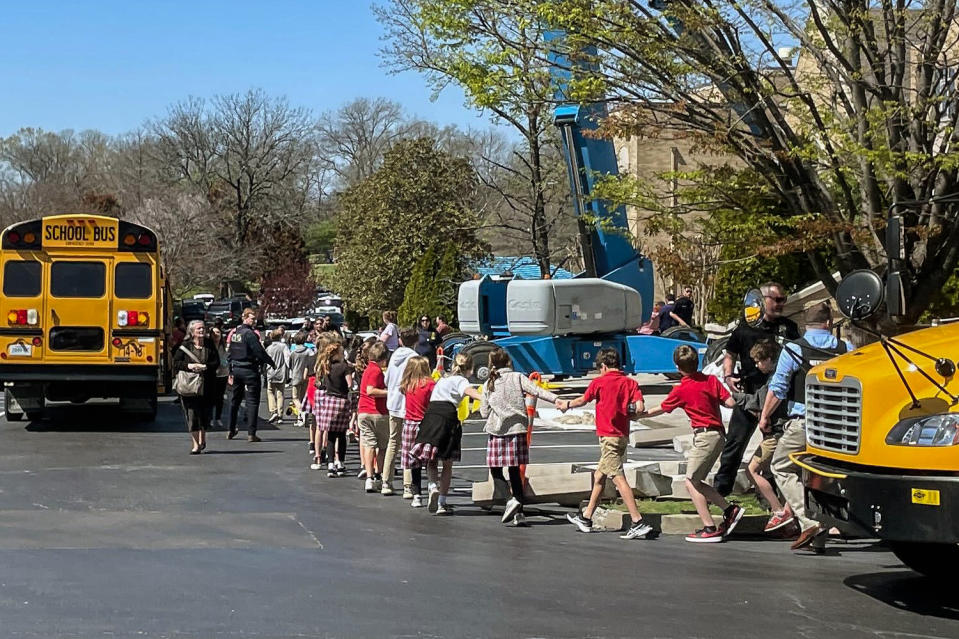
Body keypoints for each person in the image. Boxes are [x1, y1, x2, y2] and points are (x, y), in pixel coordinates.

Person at [761, 302, 854, 554]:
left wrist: (765, 417)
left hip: (805, 423)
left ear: (805, 325)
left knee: (780, 466)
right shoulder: (848, 350)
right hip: (840, 426)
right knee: (823, 474)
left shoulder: (793, 349)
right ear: (829, 323)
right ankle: (821, 535)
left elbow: (778, 388)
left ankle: (809, 520)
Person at [644, 345, 743, 542]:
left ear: (677, 366)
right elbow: (730, 403)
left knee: (691, 482)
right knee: (697, 480)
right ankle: (729, 509)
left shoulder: (681, 389)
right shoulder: (711, 380)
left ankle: (709, 526)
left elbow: (661, 408)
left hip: (704, 435)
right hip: (717, 434)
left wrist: (638, 414)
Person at [714, 281, 800, 495]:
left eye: (783, 300)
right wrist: (728, 375)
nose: (781, 304)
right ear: (764, 300)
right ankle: (721, 491)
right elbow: (730, 353)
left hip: (776, 398)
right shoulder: (746, 327)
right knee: (734, 443)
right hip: (749, 393)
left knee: (772, 448)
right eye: (777, 300)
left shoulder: (788, 328)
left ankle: (770, 497)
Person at [564, 348, 656, 540]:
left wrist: (565, 405)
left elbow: (583, 400)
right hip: (622, 435)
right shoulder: (630, 383)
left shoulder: (599, 382)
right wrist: (630, 414)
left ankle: (637, 521)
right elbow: (639, 407)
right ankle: (586, 517)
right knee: (599, 476)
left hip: (608, 437)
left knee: (618, 478)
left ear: (603, 366)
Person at [480, 348, 563, 526]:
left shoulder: (489, 383)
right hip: (517, 429)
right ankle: (519, 512)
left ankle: (510, 499)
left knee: (495, 469)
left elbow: (483, 412)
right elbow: (537, 391)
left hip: (497, 430)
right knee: (514, 470)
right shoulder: (518, 377)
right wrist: (557, 400)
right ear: (508, 362)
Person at [410, 352, 483, 515]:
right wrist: (485, 397)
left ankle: (432, 486)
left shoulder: (443, 380)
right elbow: (470, 392)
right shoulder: (461, 380)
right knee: (447, 462)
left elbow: (438, 380)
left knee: (432, 459)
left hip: (431, 415)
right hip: (448, 416)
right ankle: (442, 502)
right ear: (470, 368)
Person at [737, 341, 795, 534]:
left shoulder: (774, 381)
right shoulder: (788, 376)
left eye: (758, 361)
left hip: (776, 433)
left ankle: (778, 510)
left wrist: (735, 397)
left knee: (752, 470)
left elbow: (758, 403)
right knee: (788, 474)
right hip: (788, 431)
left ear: (769, 359)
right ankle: (790, 517)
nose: (756, 365)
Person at [227, 308, 275, 442]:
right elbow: (259, 351)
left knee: (235, 401)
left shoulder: (236, 333)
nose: (254, 321)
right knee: (252, 402)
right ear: (245, 317)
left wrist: (230, 370)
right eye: (252, 318)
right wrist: (271, 362)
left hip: (236, 369)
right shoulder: (250, 334)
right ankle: (251, 433)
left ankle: (231, 429)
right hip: (249, 370)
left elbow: (230, 352)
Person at [173, 320, 218, 454]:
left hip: (207, 386)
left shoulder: (209, 345)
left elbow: (216, 362)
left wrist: (206, 367)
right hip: (190, 387)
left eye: (203, 328)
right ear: (192, 332)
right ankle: (195, 445)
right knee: (192, 415)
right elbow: (176, 363)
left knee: (204, 416)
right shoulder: (185, 346)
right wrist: (189, 366)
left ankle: (202, 439)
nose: (201, 331)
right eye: (198, 329)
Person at [383, 328, 419, 497]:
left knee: (393, 442)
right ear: (416, 341)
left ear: (400, 340)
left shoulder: (393, 357)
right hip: (409, 405)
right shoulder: (414, 358)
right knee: (408, 446)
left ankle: (386, 481)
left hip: (393, 404)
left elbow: (386, 379)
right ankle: (407, 485)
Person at [399, 356, 435, 508]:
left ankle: (417, 495)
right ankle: (433, 485)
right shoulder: (430, 384)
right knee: (430, 458)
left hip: (409, 424)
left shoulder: (407, 385)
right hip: (426, 424)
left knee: (414, 462)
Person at [314, 341, 353, 477]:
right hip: (341, 400)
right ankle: (340, 463)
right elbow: (350, 384)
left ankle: (330, 465)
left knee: (330, 435)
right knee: (341, 434)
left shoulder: (327, 366)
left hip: (329, 400)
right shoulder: (344, 367)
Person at [357, 341, 391, 493]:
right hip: (376, 412)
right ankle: (378, 475)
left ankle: (369, 477)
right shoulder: (376, 370)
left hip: (363, 411)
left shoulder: (367, 369)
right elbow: (371, 390)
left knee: (369, 444)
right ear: (384, 358)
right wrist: (389, 392)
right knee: (383, 446)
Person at [288, 331, 314, 427]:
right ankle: (303, 417)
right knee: (303, 397)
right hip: (306, 376)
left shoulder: (293, 352)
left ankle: (301, 412)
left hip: (296, 375)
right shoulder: (309, 351)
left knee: (295, 397)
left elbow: (289, 364)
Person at [265, 329, 290, 423]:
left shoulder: (269, 348)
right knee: (281, 393)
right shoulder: (283, 346)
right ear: (280, 337)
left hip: (271, 372)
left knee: (270, 391)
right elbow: (287, 358)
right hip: (281, 372)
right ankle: (280, 415)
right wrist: (289, 370)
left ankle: (273, 410)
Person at [208, 326, 230, 428]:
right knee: (211, 398)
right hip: (212, 375)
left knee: (220, 398)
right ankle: (210, 418)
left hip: (223, 374)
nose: (216, 335)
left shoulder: (224, 346)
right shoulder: (208, 346)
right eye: (214, 333)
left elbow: (227, 358)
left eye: (218, 333)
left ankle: (218, 417)